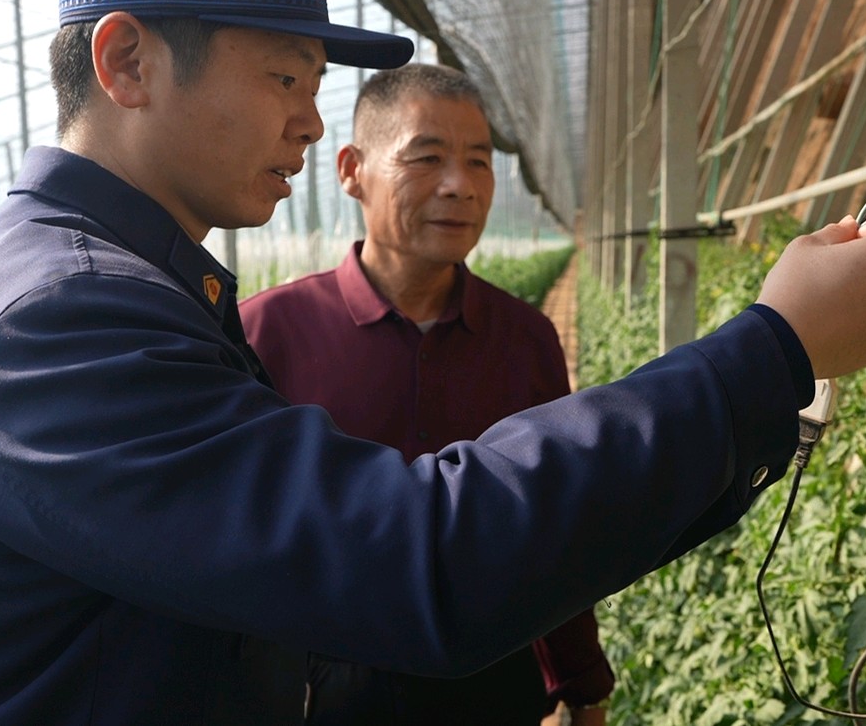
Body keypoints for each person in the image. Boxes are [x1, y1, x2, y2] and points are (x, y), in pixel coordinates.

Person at [0, 0, 866, 725]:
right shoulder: (56, 324)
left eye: (315, 86)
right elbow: (424, 561)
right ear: (126, 60)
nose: (310, 126)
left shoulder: (111, 285)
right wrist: (769, 350)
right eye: (284, 78)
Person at [241, 64, 614, 725]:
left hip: (491, 684)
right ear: (352, 169)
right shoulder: (269, 333)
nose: (461, 187)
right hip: (318, 696)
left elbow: (555, 528)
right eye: (427, 158)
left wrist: (583, 684)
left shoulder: (524, 340)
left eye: (479, 163)